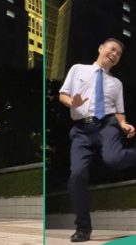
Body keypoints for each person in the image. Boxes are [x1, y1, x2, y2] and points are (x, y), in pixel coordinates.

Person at [59, 38, 136, 242]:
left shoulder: (116, 83)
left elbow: (119, 112)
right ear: (101, 48)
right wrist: (72, 102)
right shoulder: (78, 70)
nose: (114, 54)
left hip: (108, 124)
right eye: (112, 49)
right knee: (76, 176)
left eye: (119, 53)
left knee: (114, 159)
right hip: (82, 129)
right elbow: (63, 95)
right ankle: (83, 228)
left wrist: (124, 124)